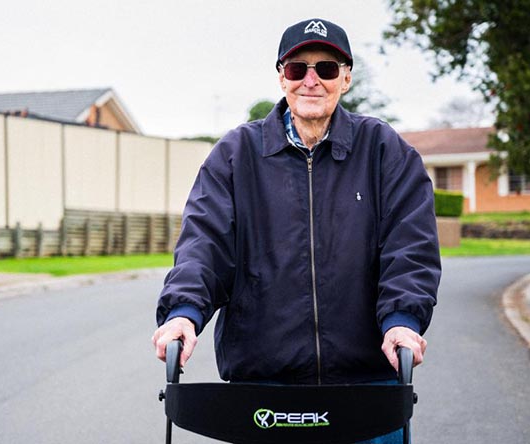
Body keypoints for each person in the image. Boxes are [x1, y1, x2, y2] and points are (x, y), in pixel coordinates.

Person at [152, 18, 440, 443]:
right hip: (263, 392)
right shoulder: (235, 155)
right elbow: (204, 245)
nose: (311, 80)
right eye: (297, 68)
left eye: (325, 68)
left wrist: (403, 319)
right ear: (280, 76)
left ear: (345, 78)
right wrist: (183, 313)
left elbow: (410, 245)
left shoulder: (383, 150)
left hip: (367, 390)